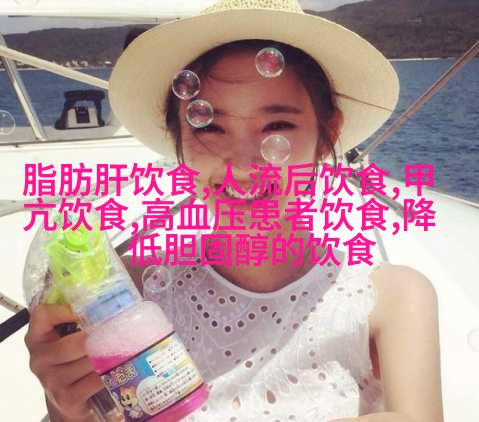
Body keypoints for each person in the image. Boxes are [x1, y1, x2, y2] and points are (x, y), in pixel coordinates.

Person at [25, 1, 444, 421]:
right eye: (209, 126)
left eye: (277, 126)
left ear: (326, 134)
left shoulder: (392, 299)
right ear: (177, 138)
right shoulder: (122, 295)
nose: (242, 165)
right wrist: (67, 408)